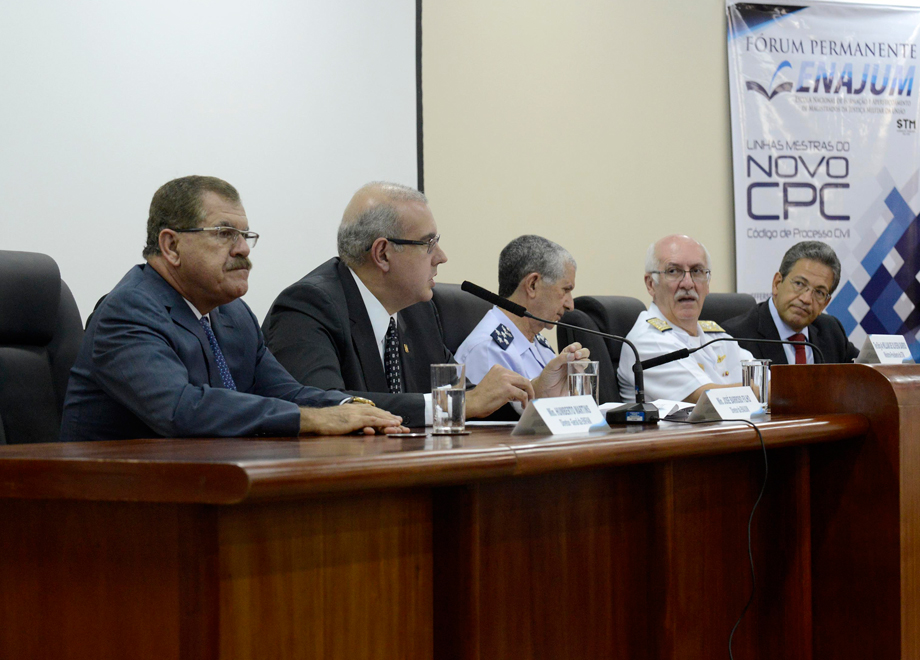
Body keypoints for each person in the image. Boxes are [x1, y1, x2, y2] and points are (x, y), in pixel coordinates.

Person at [60, 176, 406, 443]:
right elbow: (181, 409)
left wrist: (353, 411)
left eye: (244, 235)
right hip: (116, 506)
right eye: (225, 233)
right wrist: (314, 419)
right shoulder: (128, 311)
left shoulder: (233, 314)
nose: (243, 249)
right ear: (171, 246)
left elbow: (288, 392)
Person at [263, 182, 587, 427]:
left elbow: (470, 397)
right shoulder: (308, 307)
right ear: (383, 254)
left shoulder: (418, 311)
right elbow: (326, 406)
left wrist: (531, 396)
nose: (441, 258)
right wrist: (457, 404)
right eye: (429, 244)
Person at [617, 234, 754, 403]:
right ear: (650, 284)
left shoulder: (716, 336)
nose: (688, 283)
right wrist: (768, 390)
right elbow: (707, 399)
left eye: (697, 271)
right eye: (673, 271)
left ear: (708, 283)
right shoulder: (648, 340)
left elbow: (764, 377)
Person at [455, 235, 576, 383]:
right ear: (532, 285)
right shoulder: (487, 350)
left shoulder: (538, 343)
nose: (570, 305)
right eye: (565, 290)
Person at [722, 241, 858, 364]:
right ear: (777, 284)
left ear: (825, 303)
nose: (806, 299)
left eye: (819, 292)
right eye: (799, 284)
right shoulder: (735, 338)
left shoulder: (831, 331)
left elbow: (868, 371)